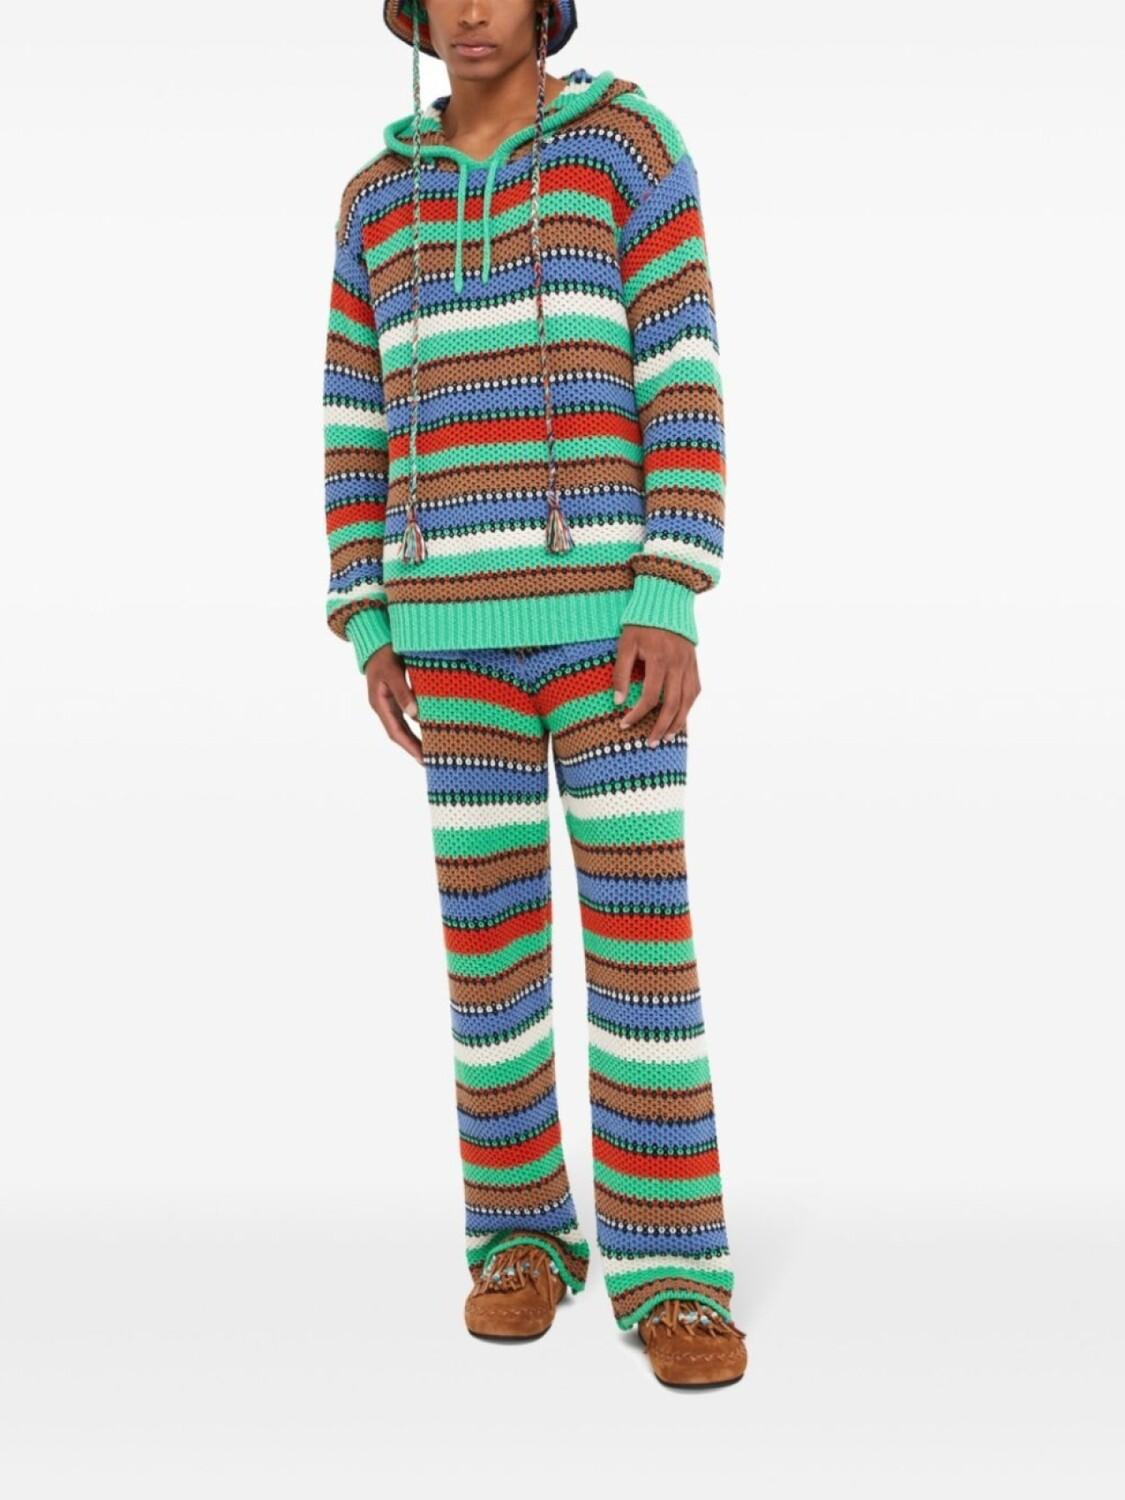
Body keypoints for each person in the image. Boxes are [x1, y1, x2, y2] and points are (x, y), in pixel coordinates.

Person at [321, 0, 745, 1388]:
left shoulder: (627, 149)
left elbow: (682, 368)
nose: (472, 10)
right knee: (488, 965)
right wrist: (366, 612)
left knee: (642, 954)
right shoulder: (375, 197)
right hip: (449, 641)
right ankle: (518, 1240)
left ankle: (673, 1275)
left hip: (609, 634)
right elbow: (352, 413)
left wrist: (670, 586)